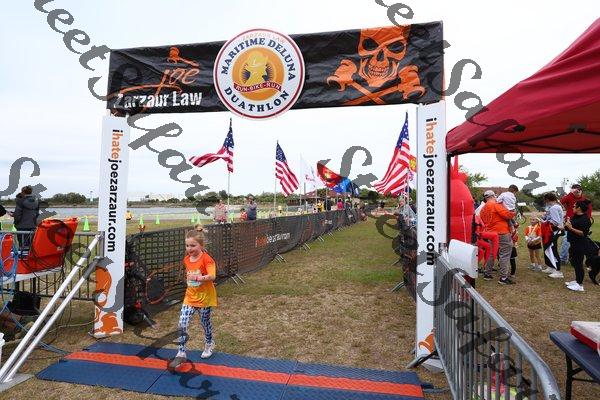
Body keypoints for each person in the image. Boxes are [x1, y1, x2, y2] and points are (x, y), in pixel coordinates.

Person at [169, 228, 217, 368]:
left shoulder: (207, 259)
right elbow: (189, 275)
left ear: (201, 245)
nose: (189, 248)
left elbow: (212, 276)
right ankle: (181, 352)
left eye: (193, 245)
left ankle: (209, 343)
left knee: (205, 323)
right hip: (190, 297)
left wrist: (197, 278)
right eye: (187, 245)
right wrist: (191, 281)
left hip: (205, 298)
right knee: (182, 323)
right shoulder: (186, 259)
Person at [479, 190, 515, 285]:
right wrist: (512, 210)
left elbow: (482, 220)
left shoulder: (483, 207)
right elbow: (507, 215)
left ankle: (487, 273)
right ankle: (503, 277)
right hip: (502, 232)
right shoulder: (495, 204)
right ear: (493, 196)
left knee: (491, 253)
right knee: (504, 254)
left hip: (490, 233)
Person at [563, 201, 592, 292]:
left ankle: (580, 285)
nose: (572, 207)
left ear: (579, 208)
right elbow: (568, 227)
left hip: (580, 244)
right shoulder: (575, 216)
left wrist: (571, 228)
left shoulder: (585, 219)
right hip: (573, 243)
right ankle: (577, 281)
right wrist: (566, 223)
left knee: (578, 264)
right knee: (574, 262)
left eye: (574, 206)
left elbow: (583, 233)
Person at [560, 183, 592, 263]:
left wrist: (586, 222)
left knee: (582, 242)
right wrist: (571, 193)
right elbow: (561, 201)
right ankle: (563, 259)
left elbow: (588, 212)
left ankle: (587, 259)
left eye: (578, 191)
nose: (576, 193)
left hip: (581, 223)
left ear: (581, 191)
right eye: (575, 191)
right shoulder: (570, 196)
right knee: (566, 241)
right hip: (569, 222)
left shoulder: (585, 200)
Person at [540, 192, 565, 278]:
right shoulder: (554, 207)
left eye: (545, 200)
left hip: (553, 231)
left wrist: (544, 222)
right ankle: (551, 267)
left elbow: (555, 222)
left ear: (547, 199)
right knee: (549, 248)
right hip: (553, 231)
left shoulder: (554, 208)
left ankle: (558, 271)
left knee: (553, 249)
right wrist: (544, 217)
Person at [13, 186, 40, 250]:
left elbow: (17, 215)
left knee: (22, 246)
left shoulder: (20, 201)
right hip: (33, 226)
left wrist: (16, 223)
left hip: (21, 227)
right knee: (31, 245)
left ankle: (22, 255)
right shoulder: (36, 201)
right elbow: (37, 214)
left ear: (23, 192)